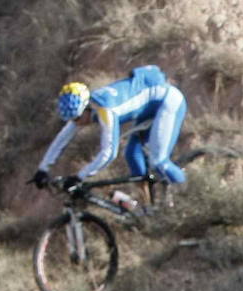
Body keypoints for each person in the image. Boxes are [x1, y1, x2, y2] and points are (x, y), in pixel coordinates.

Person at [31, 65, 188, 206]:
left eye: (77, 118)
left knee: (158, 161)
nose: (76, 123)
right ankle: (148, 208)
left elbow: (108, 153)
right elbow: (62, 138)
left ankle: (189, 194)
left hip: (168, 102)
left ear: (86, 108)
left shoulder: (106, 111)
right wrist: (42, 169)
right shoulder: (84, 109)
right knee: (132, 156)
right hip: (148, 110)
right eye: (72, 120)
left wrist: (80, 177)